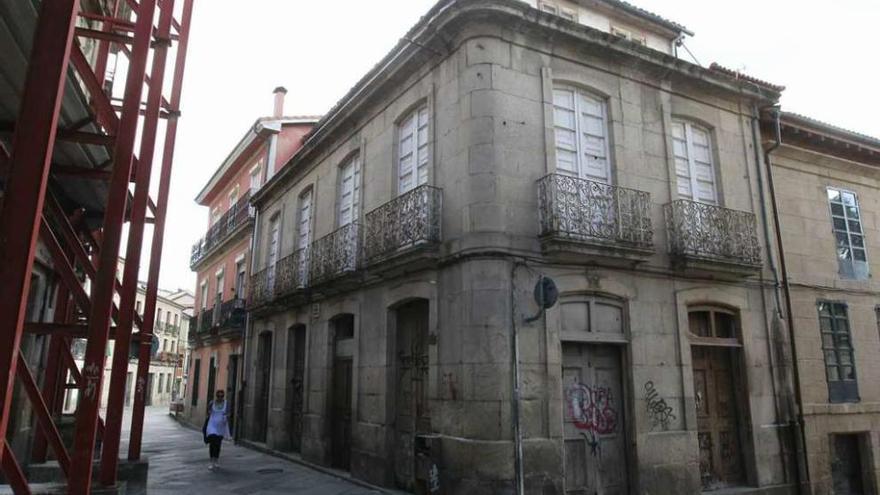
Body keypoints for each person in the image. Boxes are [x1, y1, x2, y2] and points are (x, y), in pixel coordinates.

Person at [205, 389, 231, 470]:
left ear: (223, 396)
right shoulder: (212, 403)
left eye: (221, 396)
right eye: (218, 396)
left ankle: (216, 460)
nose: (220, 397)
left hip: (221, 427)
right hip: (212, 425)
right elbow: (208, 411)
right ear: (216, 396)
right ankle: (211, 461)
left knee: (218, 444)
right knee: (213, 442)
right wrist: (209, 412)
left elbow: (229, 413)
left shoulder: (226, 403)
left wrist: (226, 416)